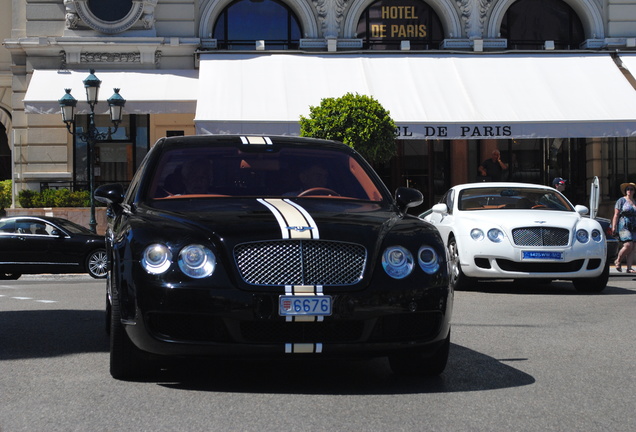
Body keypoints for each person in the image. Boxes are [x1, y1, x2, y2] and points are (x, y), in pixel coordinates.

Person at [611, 182, 636, 273]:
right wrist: (614, 227)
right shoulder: (621, 200)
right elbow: (616, 215)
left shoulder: (634, 202)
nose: (629, 191)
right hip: (624, 225)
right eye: (627, 189)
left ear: (634, 191)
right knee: (628, 245)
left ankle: (629, 267)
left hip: (634, 226)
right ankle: (618, 260)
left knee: (633, 247)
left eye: (631, 189)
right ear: (625, 191)